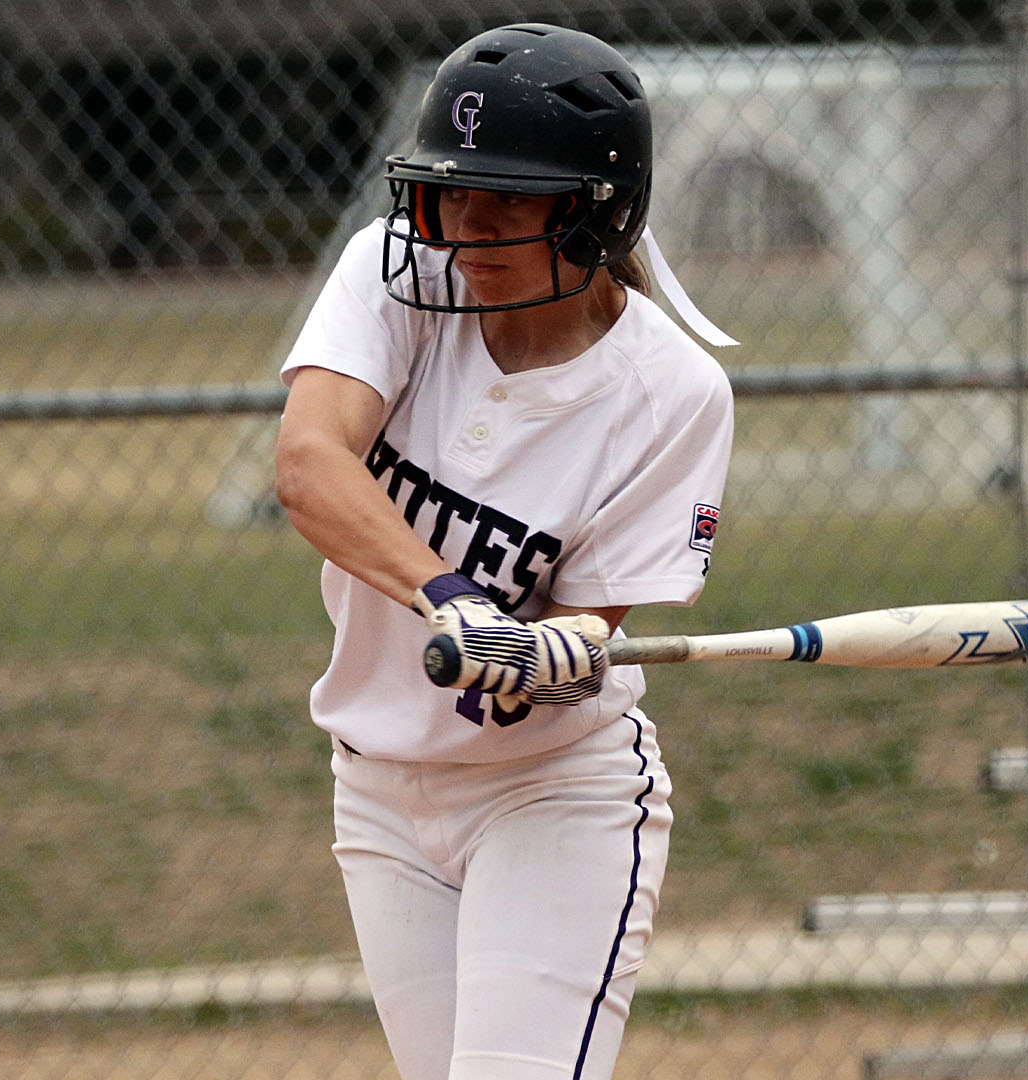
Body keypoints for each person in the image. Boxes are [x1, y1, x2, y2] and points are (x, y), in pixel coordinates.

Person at [272, 23, 736, 1080]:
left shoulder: (673, 395)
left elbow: (591, 624)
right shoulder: (393, 284)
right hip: (380, 789)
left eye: (509, 201)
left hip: (549, 794)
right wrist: (455, 599)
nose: (464, 230)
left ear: (594, 214)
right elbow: (309, 466)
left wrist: (563, 651)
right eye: (449, 194)